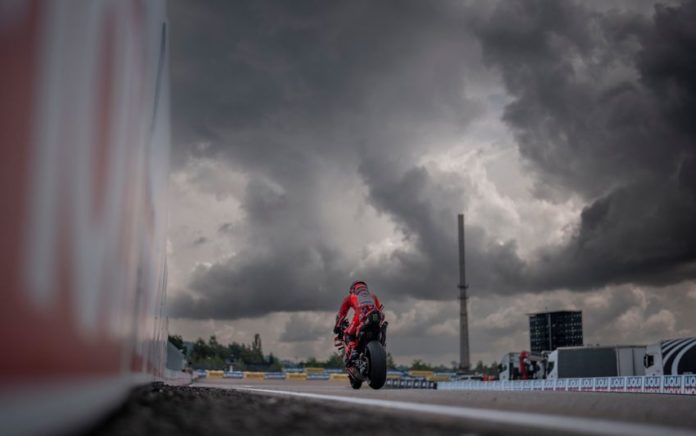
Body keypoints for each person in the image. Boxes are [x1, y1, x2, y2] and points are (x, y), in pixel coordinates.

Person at [333, 280, 383, 365]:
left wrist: (337, 326)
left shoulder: (350, 297)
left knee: (348, 333)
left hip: (361, 318)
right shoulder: (373, 296)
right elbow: (379, 309)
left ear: (353, 289)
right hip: (376, 318)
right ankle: (381, 344)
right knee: (381, 328)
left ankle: (354, 351)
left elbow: (341, 314)